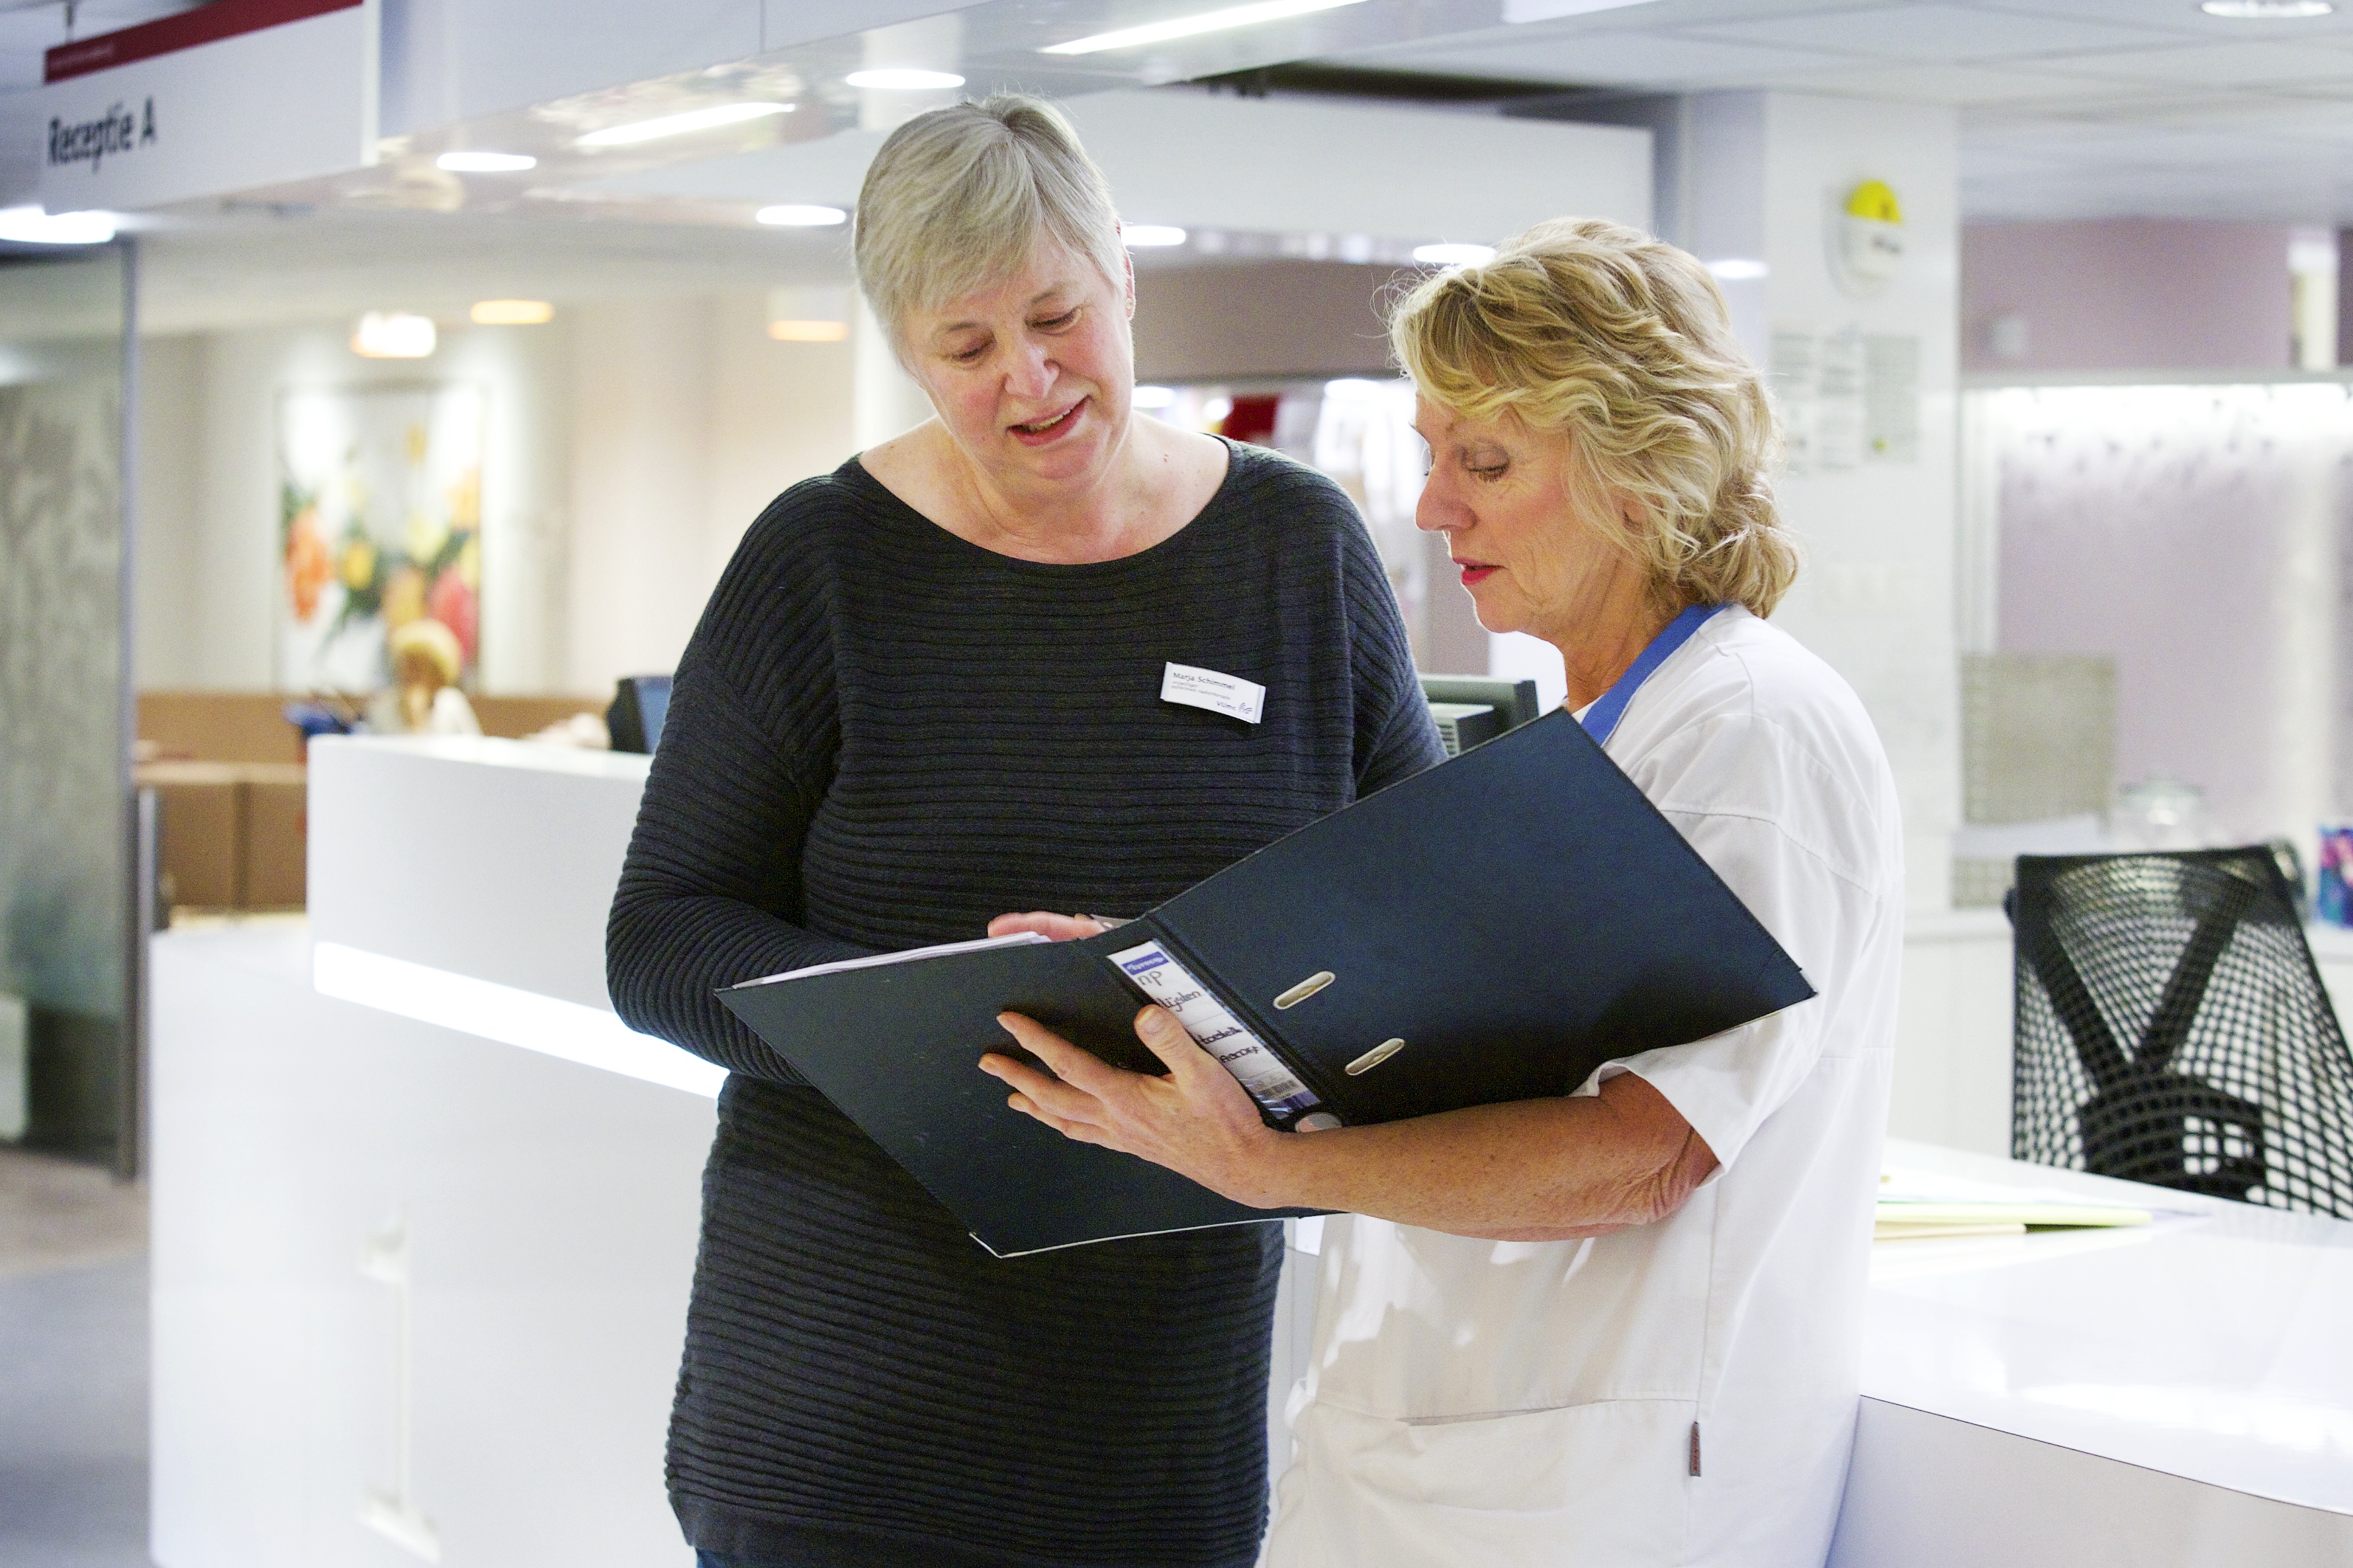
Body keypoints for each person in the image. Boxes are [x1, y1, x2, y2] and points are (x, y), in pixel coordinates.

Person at [984, 217, 1904, 1567]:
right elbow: (1463, 1062)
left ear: (1638, 472)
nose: (1431, 507)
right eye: (1432, 457)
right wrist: (1193, 985)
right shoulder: (1589, 739)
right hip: (1436, 1459)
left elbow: (1644, 1147)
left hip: (1599, 1484)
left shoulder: (1750, 732)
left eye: (1485, 461)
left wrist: (1270, 1166)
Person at [604, 95, 1442, 1568]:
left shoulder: (1296, 553)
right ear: (903, 350)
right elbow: (662, 937)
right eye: (965, 346)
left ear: (1121, 272)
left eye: (1055, 315)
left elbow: (1424, 925)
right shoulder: (822, 562)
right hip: (838, 1410)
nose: (1027, 380)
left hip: (1154, 1415)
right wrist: (940, 1026)